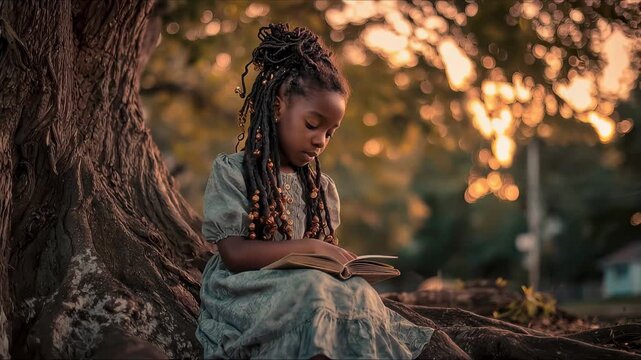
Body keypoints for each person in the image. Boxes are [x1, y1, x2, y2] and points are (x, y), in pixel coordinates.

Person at [196, 23, 434, 359]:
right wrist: (310, 247)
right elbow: (234, 255)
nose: (320, 140)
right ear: (278, 106)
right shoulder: (233, 172)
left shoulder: (321, 189)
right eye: (313, 124)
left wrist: (338, 263)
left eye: (330, 132)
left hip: (305, 286)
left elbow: (321, 260)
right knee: (313, 292)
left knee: (358, 293)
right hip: (246, 288)